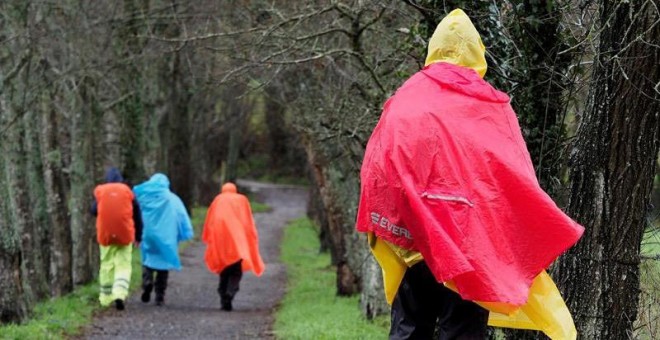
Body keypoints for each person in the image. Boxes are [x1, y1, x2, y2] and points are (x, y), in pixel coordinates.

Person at [355, 9, 584, 340]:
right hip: (469, 247)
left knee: (409, 329)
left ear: (434, 47)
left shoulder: (405, 98)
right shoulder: (489, 106)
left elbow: (378, 169)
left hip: (412, 244)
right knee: (461, 331)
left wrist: (394, 225)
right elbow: (513, 176)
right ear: (476, 51)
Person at [201, 182, 265, 311]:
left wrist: (208, 237)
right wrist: (249, 238)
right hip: (237, 241)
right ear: (235, 190)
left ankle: (223, 295)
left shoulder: (217, 200)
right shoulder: (242, 200)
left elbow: (210, 220)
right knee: (235, 271)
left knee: (224, 270)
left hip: (220, 241)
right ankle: (230, 292)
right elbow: (248, 221)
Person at [133, 173, 193, 306]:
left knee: (148, 260)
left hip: (147, 234)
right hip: (166, 236)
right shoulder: (172, 198)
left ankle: (147, 283)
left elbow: (134, 213)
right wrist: (185, 233)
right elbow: (181, 216)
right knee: (163, 265)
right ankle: (159, 295)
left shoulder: (143, 196)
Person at [91, 167, 143, 311]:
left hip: (105, 234)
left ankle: (105, 298)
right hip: (125, 234)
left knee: (107, 264)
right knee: (123, 264)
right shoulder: (128, 191)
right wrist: (138, 236)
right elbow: (137, 215)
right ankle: (119, 293)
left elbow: (93, 210)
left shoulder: (102, 191)